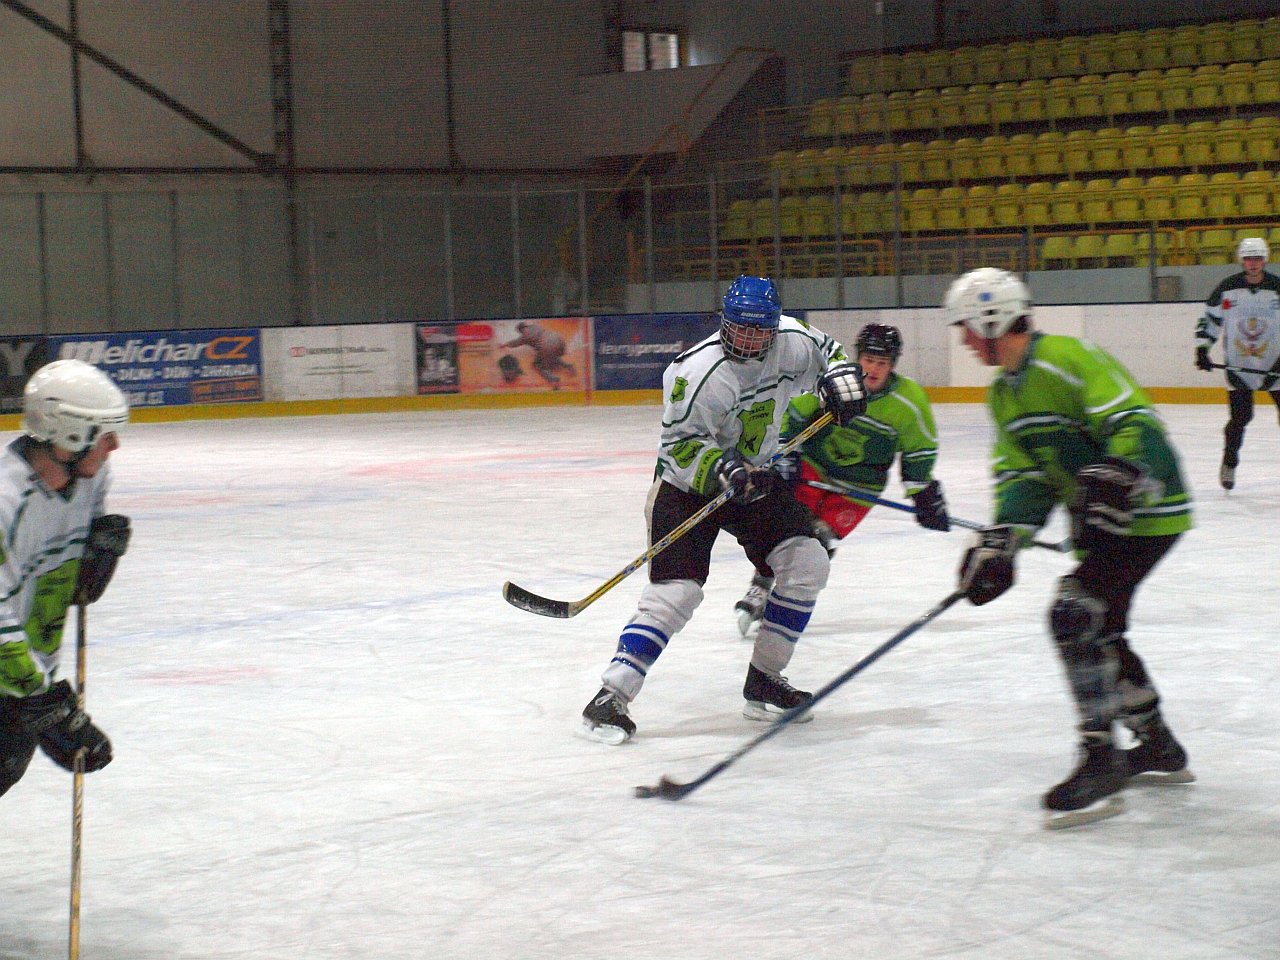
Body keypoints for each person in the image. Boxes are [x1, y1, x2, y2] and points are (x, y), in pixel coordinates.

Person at [946, 267, 1193, 828]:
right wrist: (1005, 541)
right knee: (1100, 625)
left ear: (992, 320)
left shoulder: (1068, 358)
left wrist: (1120, 473)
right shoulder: (1004, 395)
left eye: (967, 328)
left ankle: (1101, 757)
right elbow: (1024, 480)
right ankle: (1157, 743)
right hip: (1101, 524)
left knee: (1074, 613)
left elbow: (1136, 422)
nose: (964, 340)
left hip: (1147, 510)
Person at [580, 276, 868, 743]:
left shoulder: (792, 340)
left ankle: (765, 679)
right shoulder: (695, 373)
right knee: (677, 594)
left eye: (758, 330)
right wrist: (722, 469)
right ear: (724, 323)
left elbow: (830, 353)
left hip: (755, 477)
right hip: (688, 485)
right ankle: (611, 696)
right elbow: (679, 448)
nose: (748, 339)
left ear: (773, 327)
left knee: (807, 563)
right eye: (739, 328)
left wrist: (842, 381)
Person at [733, 323, 949, 635]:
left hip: (860, 488)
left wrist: (922, 490)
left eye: (883, 363)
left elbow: (920, 449)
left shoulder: (909, 402)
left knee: (819, 539)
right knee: (786, 530)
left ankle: (785, 597)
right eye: (869, 360)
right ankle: (760, 585)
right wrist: (785, 455)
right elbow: (791, 415)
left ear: (893, 365)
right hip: (813, 468)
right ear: (858, 357)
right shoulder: (836, 381)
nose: (874, 369)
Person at [0, 359, 132, 799]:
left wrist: (91, 563)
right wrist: (42, 701)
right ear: (71, 434)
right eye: (105, 433)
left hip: (21, 678)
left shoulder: (92, 480)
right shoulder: (5, 501)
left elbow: (73, 579)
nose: (114, 445)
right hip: (14, 676)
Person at [1194, 235, 1280, 490]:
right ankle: (1229, 461)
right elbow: (1210, 320)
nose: (1253, 263)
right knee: (1241, 417)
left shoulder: (1277, 288)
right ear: (1242, 260)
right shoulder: (1227, 288)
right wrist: (1202, 349)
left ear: (1265, 260)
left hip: (1275, 365)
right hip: (1238, 366)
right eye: (1249, 258)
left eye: (1258, 258)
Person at [501, 321, 576, 388]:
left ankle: (553, 379)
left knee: (537, 365)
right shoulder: (535, 325)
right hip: (558, 339)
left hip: (546, 345)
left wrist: (504, 345)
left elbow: (515, 343)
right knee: (553, 356)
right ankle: (568, 365)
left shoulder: (524, 336)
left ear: (521, 330)